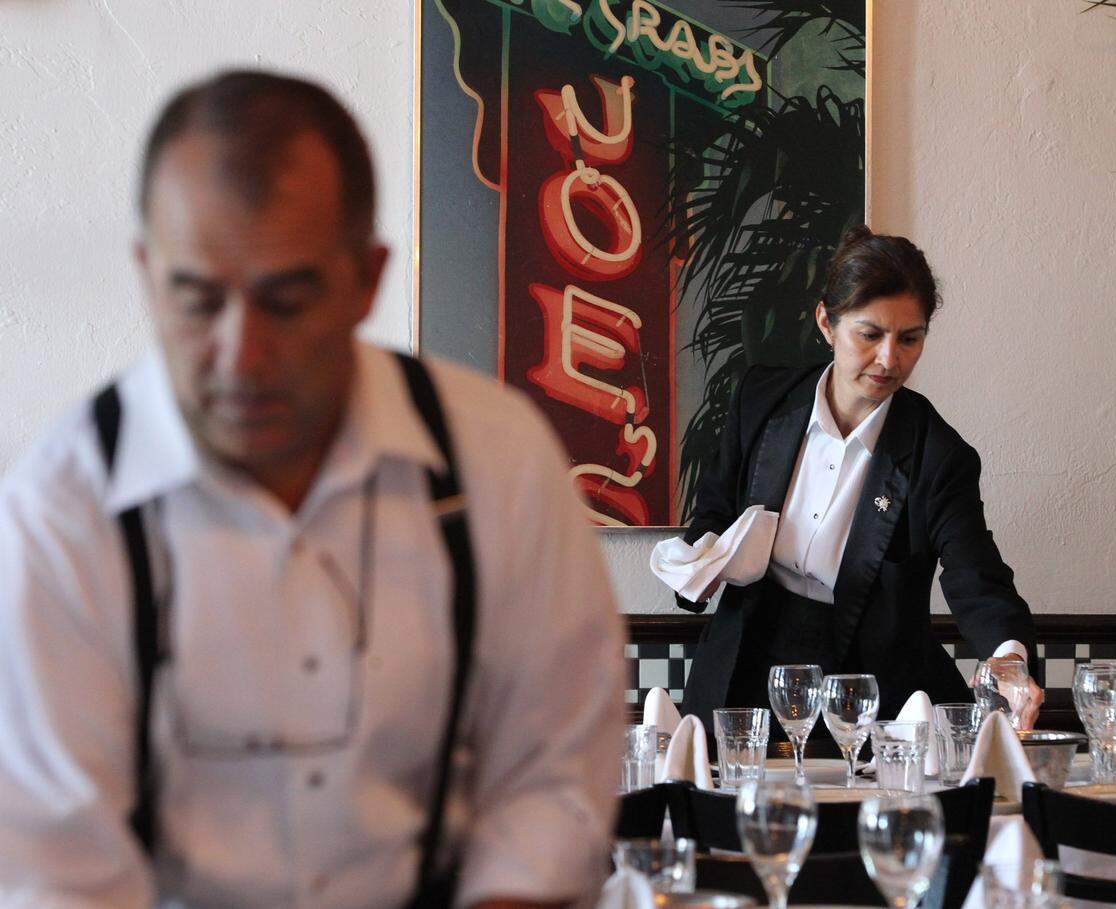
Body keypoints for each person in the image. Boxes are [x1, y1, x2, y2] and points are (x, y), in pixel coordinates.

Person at [0, 70, 624, 908]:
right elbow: (55, 866)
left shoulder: (498, 461)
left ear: (368, 279)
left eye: (286, 302)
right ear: (148, 275)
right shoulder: (65, 508)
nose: (240, 354)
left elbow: (554, 779)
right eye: (197, 299)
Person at [675, 226, 1044, 736]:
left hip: (869, 688)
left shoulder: (939, 455)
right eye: (870, 335)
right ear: (827, 321)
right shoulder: (761, 399)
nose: (890, 360)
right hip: (743, 667)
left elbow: (976, 576)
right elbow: (714, 511)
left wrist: (1007, 660)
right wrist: (701, 561)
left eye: (910, 338)